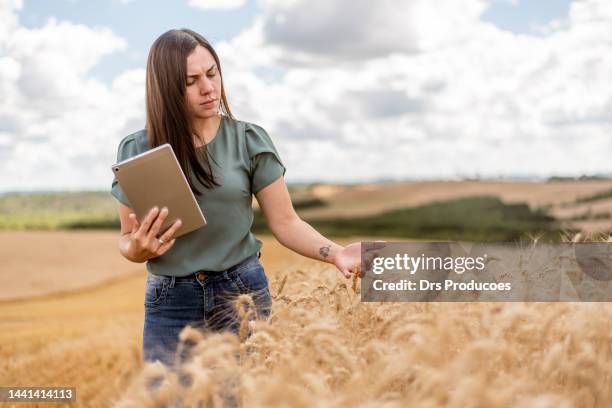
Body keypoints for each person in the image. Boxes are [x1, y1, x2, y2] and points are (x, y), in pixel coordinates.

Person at [110, 28, 367, 368]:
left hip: (241, 293)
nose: (208, 88)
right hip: (170, 302)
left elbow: (286, 221)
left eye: (212, 73)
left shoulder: (249, 140)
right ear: (165, 88)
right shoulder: (138, 150)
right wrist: (136, 249)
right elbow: (128, 239)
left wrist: (335, 253)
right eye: (191, 81)